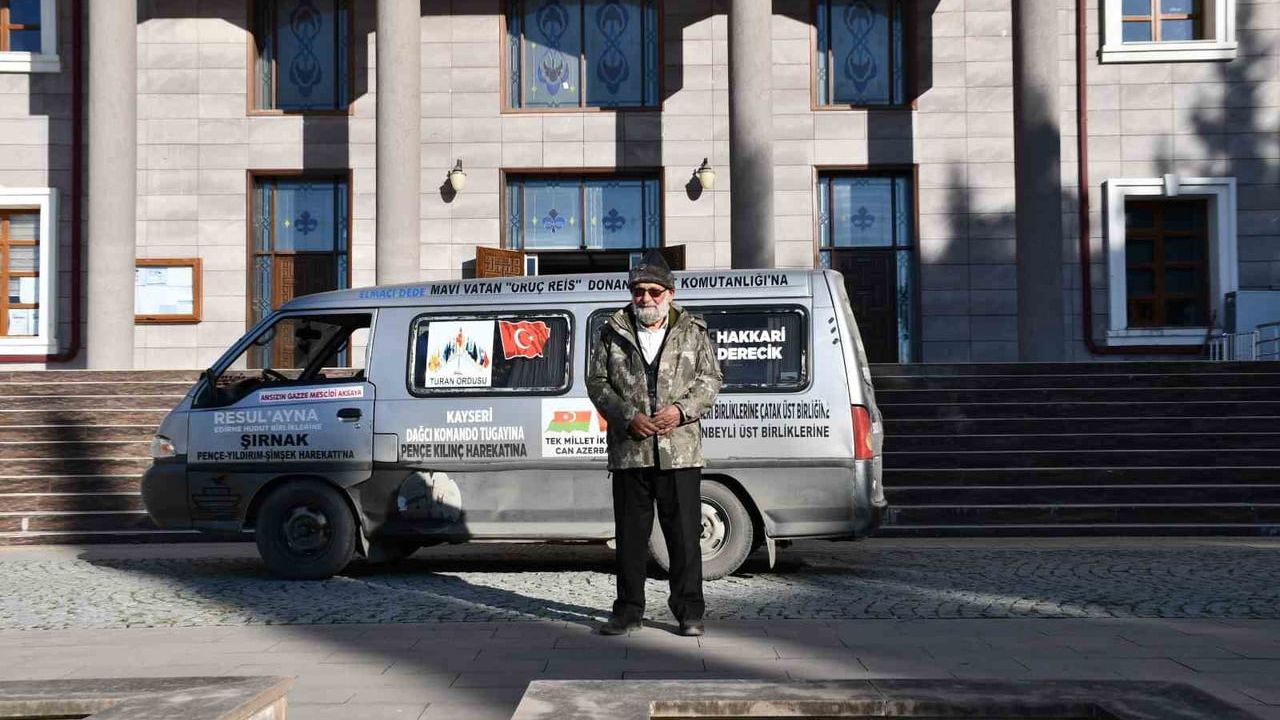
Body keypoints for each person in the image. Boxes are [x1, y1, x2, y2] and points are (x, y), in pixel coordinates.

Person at [587, 249, 724, 637]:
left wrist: (681, 411)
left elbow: (711, 379)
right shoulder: (611, 330)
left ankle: (689, 612)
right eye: (639, 292)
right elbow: (596, 382)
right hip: (631, 449)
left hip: (680, 451)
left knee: (683, 536)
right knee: (630, 538)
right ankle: (628, 611)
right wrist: (630, 417)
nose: (645, 298)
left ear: (670, 293)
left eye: (654, 291)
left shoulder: (694, 331)